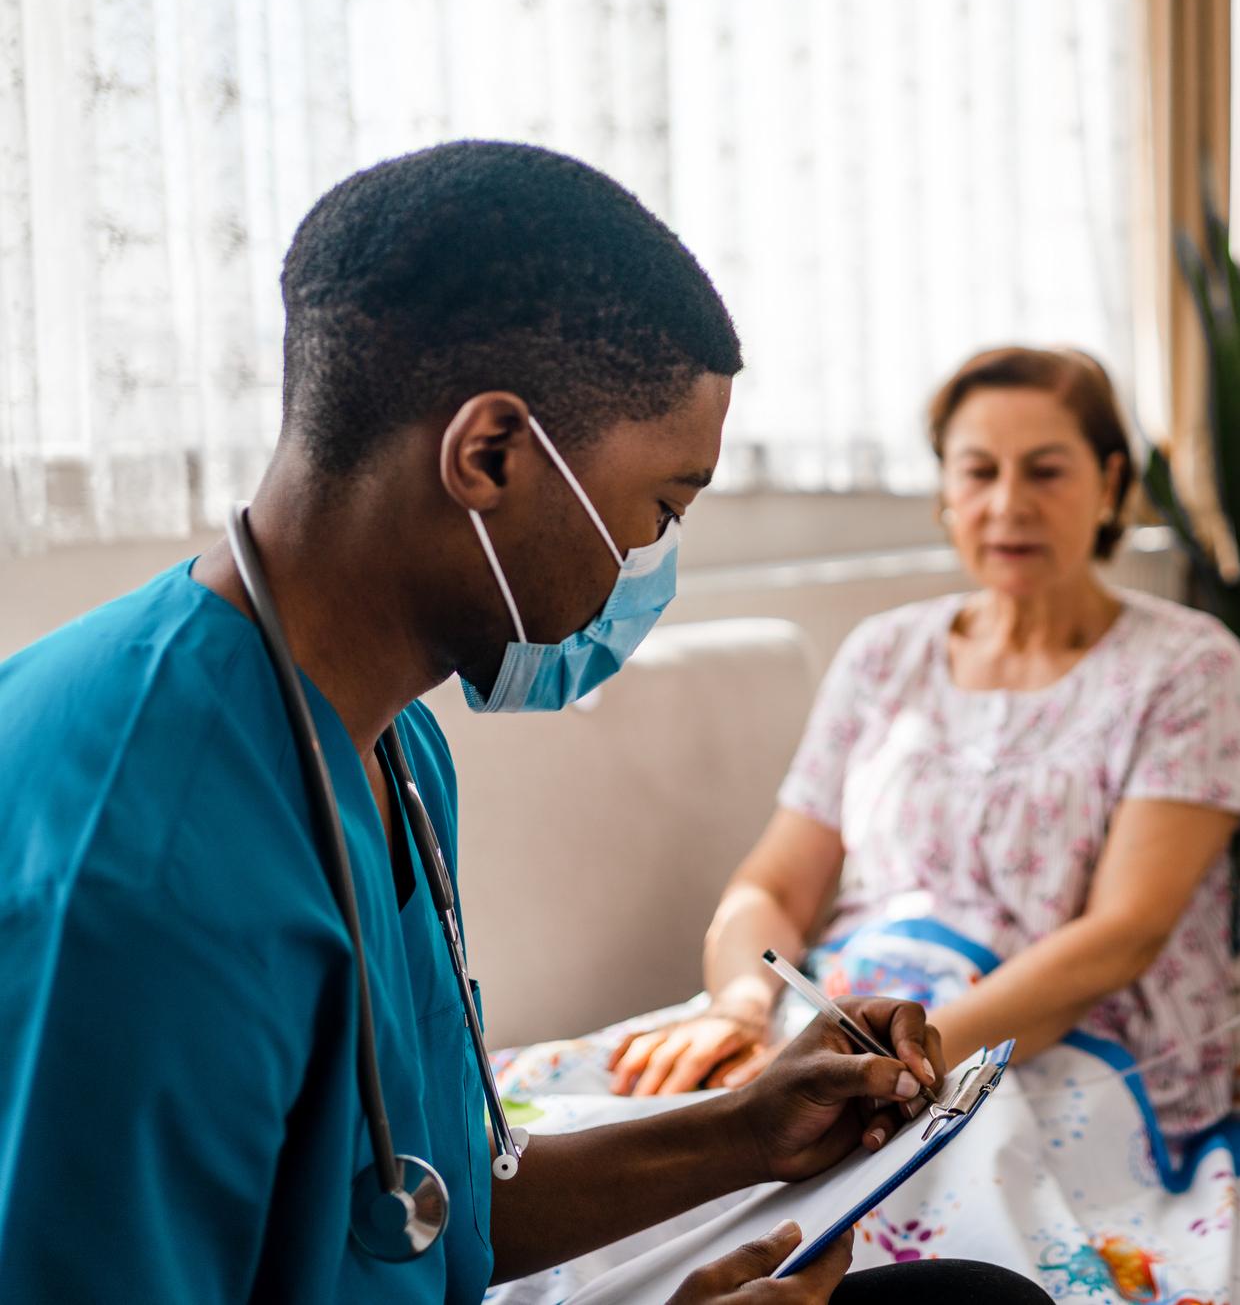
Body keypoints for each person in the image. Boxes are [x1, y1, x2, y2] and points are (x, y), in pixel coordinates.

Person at [0, 142, 1047, 1305]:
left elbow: (421, 1204)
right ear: (488, 455)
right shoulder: (138, 875)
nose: (650, 564)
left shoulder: (389, 743)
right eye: (658, 506)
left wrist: (746, 1131)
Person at [608, 348, 1240, 1147]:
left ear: (1109, 486)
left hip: (1050, 1056)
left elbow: (1122, 935)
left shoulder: (1188, 666)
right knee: (596, 1135)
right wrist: (740, 1005)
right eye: (978, 472)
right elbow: (778, 887)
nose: (1008, 505)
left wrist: (901, 1066)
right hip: (854, 1027)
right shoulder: (885, 653)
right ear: (945, 495)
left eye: (1046, 471)